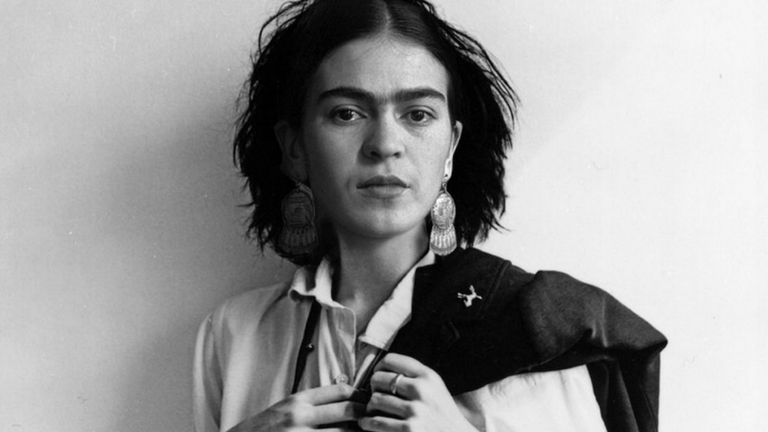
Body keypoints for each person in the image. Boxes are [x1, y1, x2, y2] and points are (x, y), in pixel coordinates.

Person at [193, 0, 667, 431]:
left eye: (417, 114)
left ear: (451, 149)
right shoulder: (234, 334)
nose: (385, 144)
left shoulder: (531, 330)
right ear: (295, 149)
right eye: (347, 113)